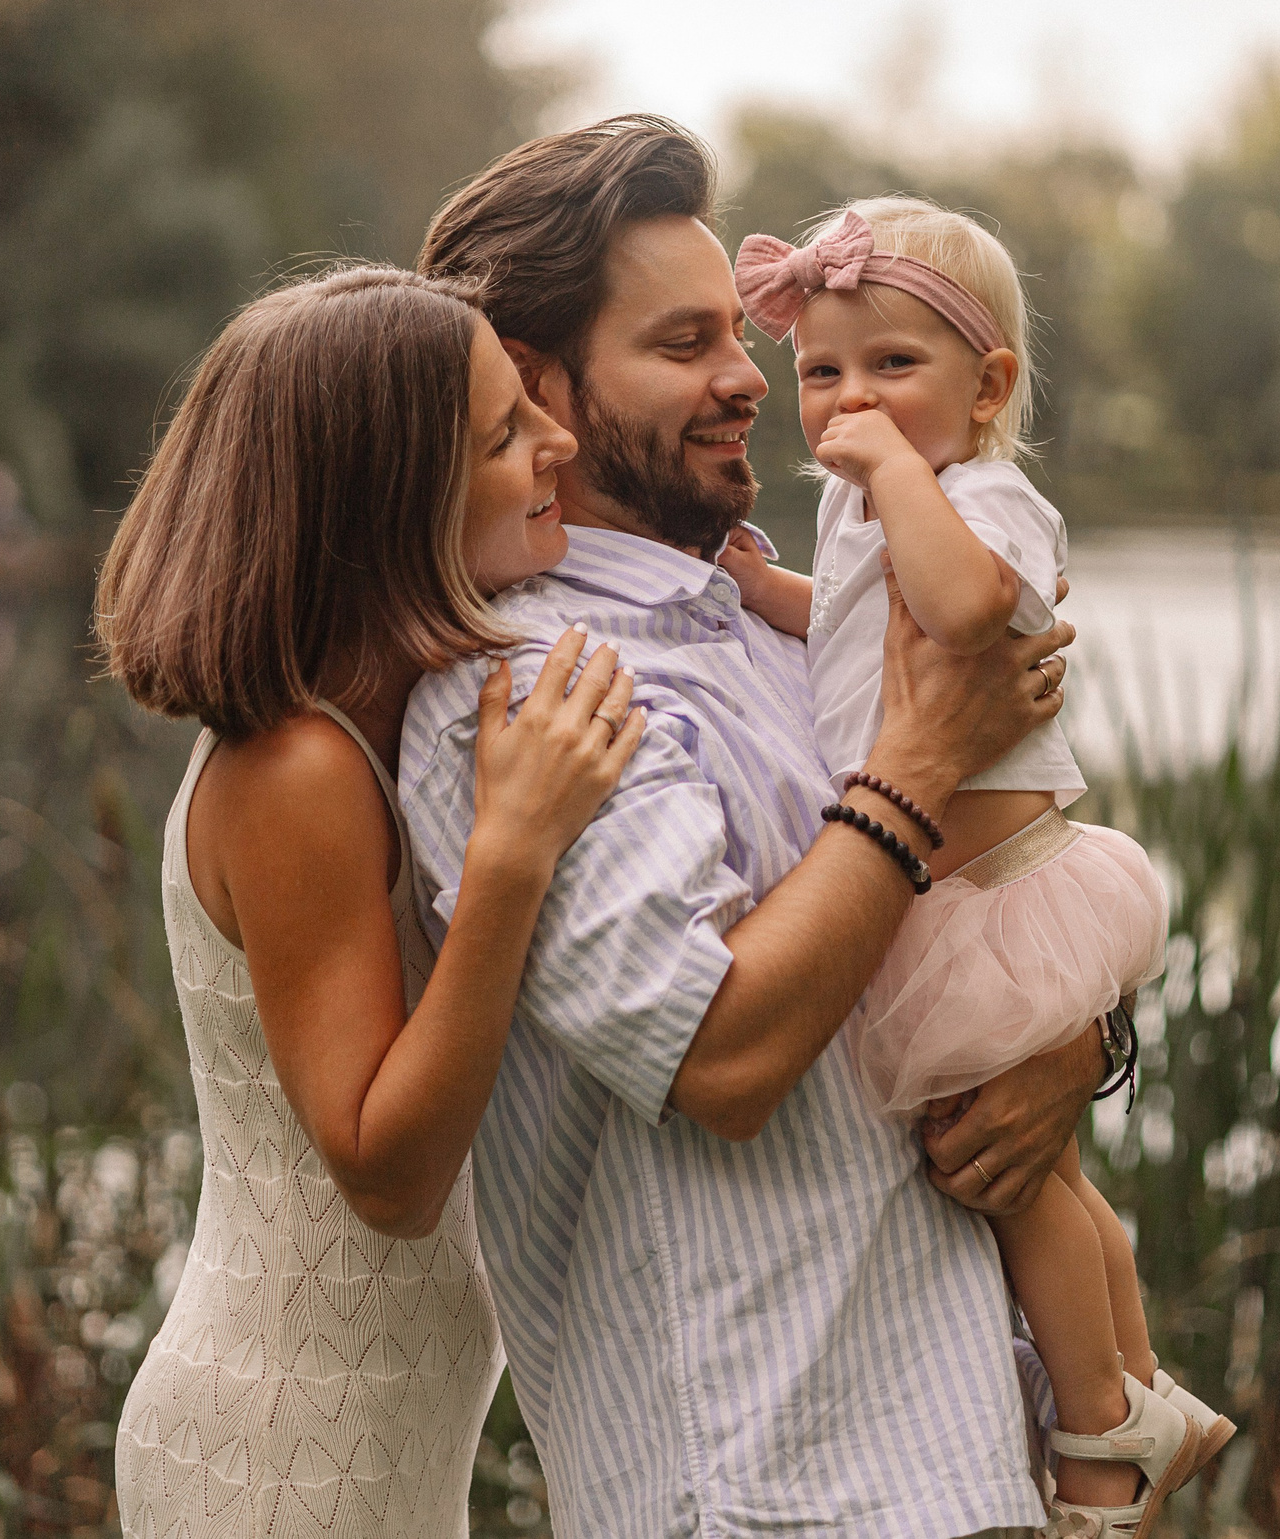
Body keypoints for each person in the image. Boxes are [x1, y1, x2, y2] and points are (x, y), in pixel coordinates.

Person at [400, 115, 1095, 1539]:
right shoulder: (535, 692)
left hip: (966, 1448)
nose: (749, 380)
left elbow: (974, 874)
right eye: (683, 344)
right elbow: (718, 1053)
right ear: (540, 387)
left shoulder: (777, 628)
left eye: (737, 333)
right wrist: (914, 760)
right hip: (766, 1492)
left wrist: (1075, 1040)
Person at [97, 266, 650, 1537]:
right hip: (281, 1458)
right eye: (507, 432)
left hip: (366, 1446)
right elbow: (385, 1175)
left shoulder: (391, 726)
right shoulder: (297, 770)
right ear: (395, 499)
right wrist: (512, 857)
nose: (556, 441)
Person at [723, 199, 1234, 1537]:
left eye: (893, 365)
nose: (850, 401)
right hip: (951, 900)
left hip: (1005, 891)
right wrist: (747, 586)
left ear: (989, 382)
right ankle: (1146, 1381)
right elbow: (845, 618)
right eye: (822, 371)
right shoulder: (867, 505)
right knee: (1053, 1176)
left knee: (1013, 1194)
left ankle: (1100, 1441)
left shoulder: (980, 493)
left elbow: (960, 605)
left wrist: (893, 476)